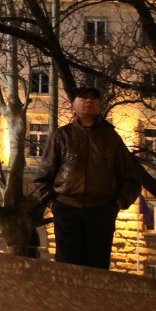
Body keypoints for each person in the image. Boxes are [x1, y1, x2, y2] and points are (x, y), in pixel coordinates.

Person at [34, 86, 142, 270]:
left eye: (94, 98)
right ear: (73, 105)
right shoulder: (61, 136)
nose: (89, 101)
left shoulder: (111, 138)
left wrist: (116, 205)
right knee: (66, 267)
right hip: (67, 210)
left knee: (97, 268)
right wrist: (54, 204)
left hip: (101, 212)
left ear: (100, 105)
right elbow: (43, 176)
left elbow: (131, 177)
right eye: (83, 97)